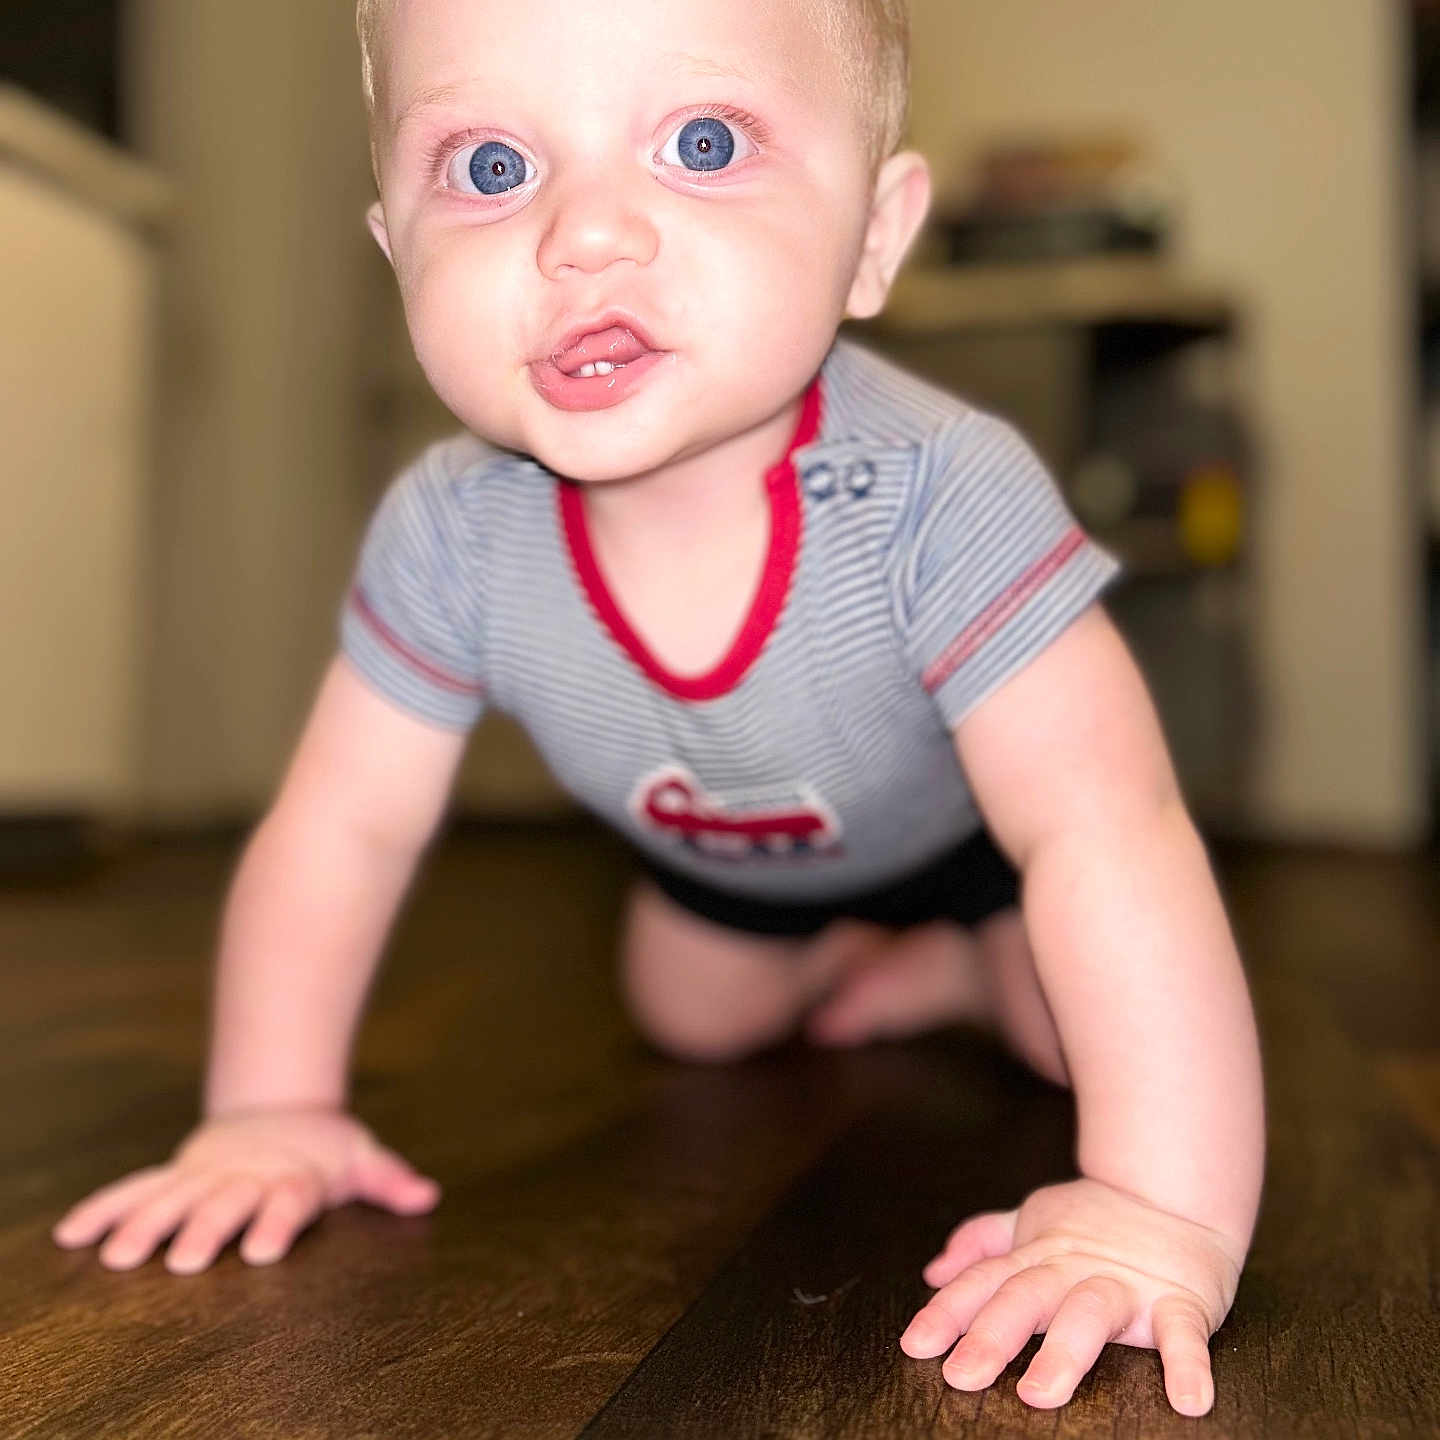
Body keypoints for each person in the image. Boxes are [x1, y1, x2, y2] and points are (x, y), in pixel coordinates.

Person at [53, 0, 1264, 1417]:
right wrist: (269, 1110)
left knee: (1072, 1030)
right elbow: (342, 827)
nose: (584, 234)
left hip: (981, 838)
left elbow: (1105, 828)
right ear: (395, 250)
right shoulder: (454, 534)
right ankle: (871, 951)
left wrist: (1157, 1208)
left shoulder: (937, 495)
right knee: (692, 1019)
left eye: (701, 145)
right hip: (729, 854)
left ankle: (962, 955)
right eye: (492, 168)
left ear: (874, 238)